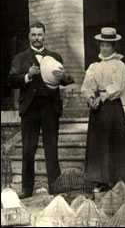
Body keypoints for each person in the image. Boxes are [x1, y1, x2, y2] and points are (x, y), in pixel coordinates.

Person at [8, 22, 74, 198]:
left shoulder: (55, 56)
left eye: (40, 34)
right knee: (28, 149)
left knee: (51, 148)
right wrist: (28, 75)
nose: (37, 38)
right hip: (30, 109)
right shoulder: (20, 58)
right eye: (33, 35)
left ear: (45, 35)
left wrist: (63, 77)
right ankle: (27, 189)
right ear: (29, 36)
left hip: (50, 108)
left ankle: (56, 187)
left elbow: (67, 79)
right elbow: (12, 80)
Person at [81, 27, 125, 193]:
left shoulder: (119, 65)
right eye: (102, 45)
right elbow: (87, 85)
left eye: (108, 45)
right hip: (97, 109)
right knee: (99, 144)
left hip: (112, 108)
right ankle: (100, 179)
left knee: (115, 142)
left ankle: (122, 178)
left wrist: (103, 96)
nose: (104, 48)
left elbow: (118, 86)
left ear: (113, 47)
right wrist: (91, 98)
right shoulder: (94, 66)